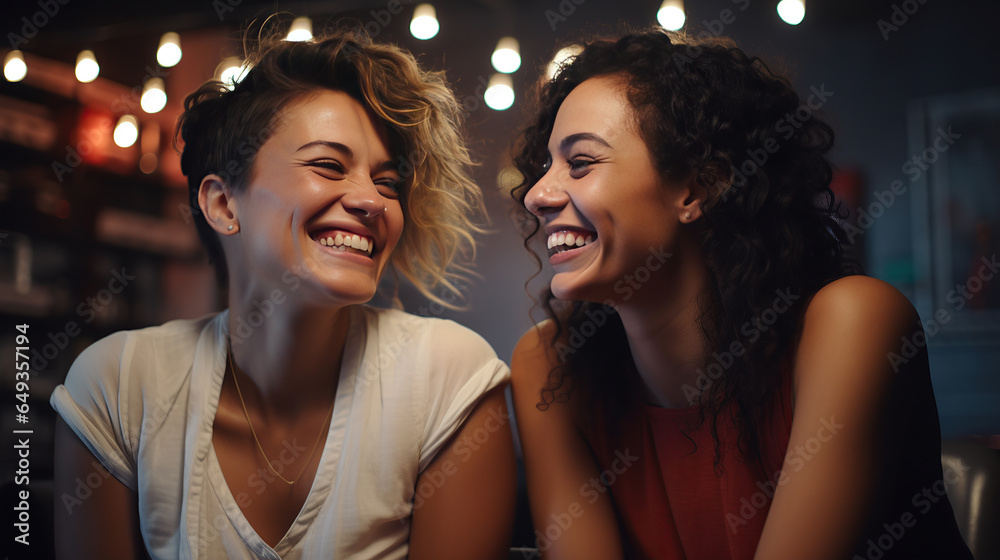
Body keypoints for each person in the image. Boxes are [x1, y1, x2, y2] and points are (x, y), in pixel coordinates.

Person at [51, 29, 516, 560]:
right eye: (328, 165)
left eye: (387, 182)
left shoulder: (448, 378)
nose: (372, 200)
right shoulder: (117, 386)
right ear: (224, 204)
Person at [509, 28, 973, 559]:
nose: (536, 195)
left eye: (581, 162)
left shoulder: (856, 323)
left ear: (696, 186)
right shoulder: (549, 365)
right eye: (546, 166)